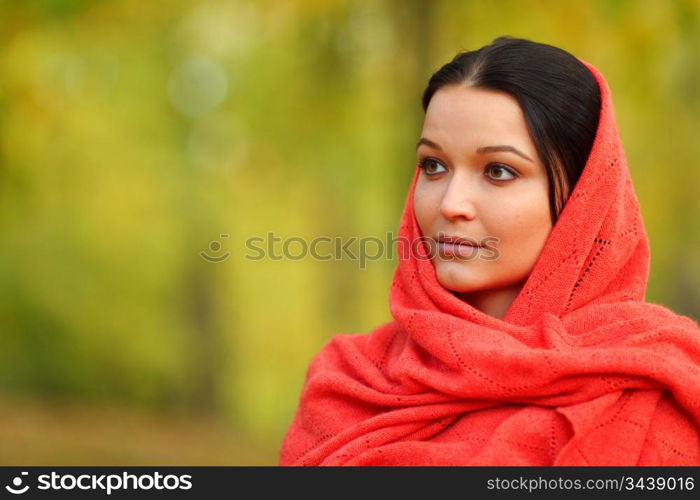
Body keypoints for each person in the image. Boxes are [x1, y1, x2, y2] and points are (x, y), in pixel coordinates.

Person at [279, 36, 700, 466]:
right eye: (433, 165)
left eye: (498, 171)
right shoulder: (347, 380)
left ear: (583, 199)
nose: (450, 204)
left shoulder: (657, 390)